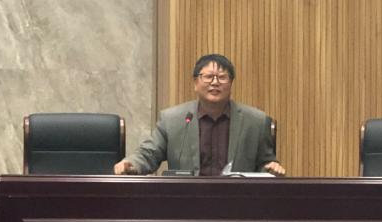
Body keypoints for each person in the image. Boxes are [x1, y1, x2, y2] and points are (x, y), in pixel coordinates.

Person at [114, 53, 286, 176]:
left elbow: (266, 163)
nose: (215, 83)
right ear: (195, 83)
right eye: (208, 77)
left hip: (237, 204)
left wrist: (271, 168)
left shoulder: (255, 121)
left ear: (231, 83)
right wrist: (132, 164)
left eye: (222, 77)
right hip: (186, 203)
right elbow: (149, 154)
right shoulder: (172, 120)